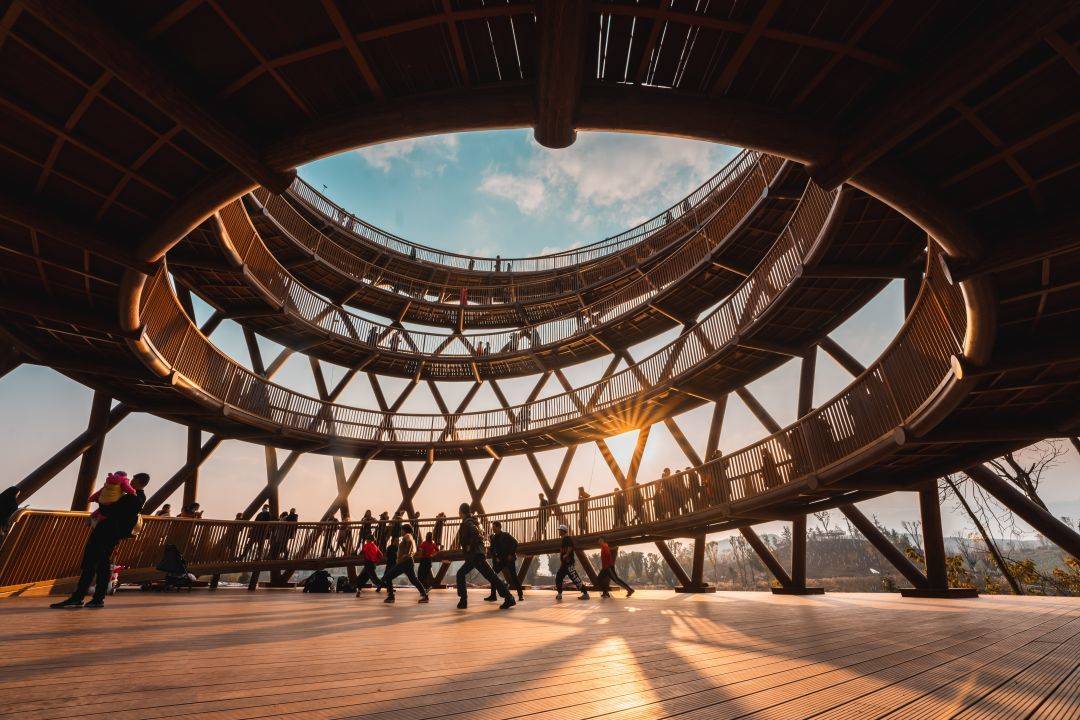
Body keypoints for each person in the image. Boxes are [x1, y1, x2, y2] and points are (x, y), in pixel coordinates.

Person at [51, 472, 149, 609]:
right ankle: (90, 597)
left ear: (138, 481)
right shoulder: (136, 497)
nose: (130, 481)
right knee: (98, 564)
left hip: (107, 532)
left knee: (95, 564)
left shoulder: (133, 498)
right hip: (110, 533)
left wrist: (103, 500)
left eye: (133, 479)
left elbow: (108, 510)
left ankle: (84, 597)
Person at [455, 502, 514, 610]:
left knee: (491, 577)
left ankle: (509, 597)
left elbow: (475, 535)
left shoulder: (467, 523)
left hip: (475, 555)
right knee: (462, 574)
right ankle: (463, 600)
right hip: (476, 555)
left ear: (462, 512)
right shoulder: (474, 521)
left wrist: (470, 546)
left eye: (459, 511)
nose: (458, 513)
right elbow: (479, 535)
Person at [381, 525, 429, 604]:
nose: (401, 532)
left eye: (402, 530)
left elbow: (409, 544)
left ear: (405, 530)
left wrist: (406, 554)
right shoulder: (410, 537)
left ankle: (391, 597)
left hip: (404, 562)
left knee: (388, 577)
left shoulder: (407, 536)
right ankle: (425, 596)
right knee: (414, 580)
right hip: (408, 562)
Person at [485, 521, 524, 602]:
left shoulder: (506, 535)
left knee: (514, 576)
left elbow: (515, 543)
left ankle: (520, 595)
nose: (493, 529)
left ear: (499, 527)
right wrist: (494, 556)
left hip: (508, 559)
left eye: (494, 527)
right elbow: (492, 549)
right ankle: (493, 596)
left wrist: (511, 554)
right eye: (492, 527)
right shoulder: (493, 537)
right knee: (493, 575)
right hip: (500, 561)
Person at [554, 524, 589, 600]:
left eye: (560, 530)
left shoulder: (567, 538)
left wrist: (566, 555)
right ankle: (559, 594)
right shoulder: (564, 539)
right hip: (564, 564)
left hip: (568, 563)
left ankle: (585, 594)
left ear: (563, 531)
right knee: (559, 577)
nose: (559, 532)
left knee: (575, 578)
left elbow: (570, 547)